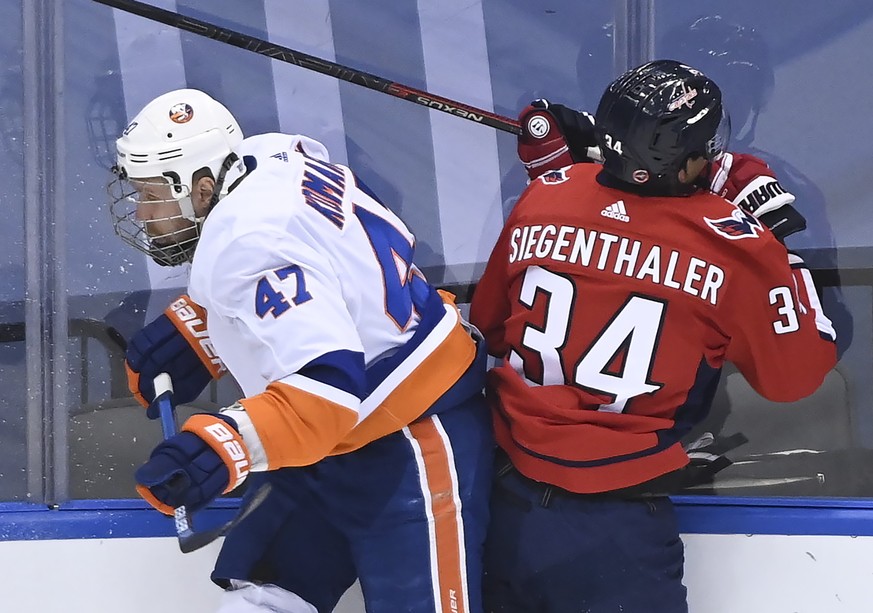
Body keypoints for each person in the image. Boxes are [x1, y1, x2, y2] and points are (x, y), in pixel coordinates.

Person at [470, 60, 837, 612]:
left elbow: (490, 325)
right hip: (615, 522)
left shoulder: (545, 194)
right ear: (684, 164)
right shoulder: (735, 247)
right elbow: (795, 377)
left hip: (504, 498)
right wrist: (778, 248)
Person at [108, 88, 493, 613]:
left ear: (201, 190)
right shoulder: (270, 157)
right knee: (260, 598)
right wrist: (208, 324)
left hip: (412, 437)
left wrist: (219, 447)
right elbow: (326, 269)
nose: (142, 210)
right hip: (326, 441)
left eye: (152, 193)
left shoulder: (247, 240)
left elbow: (327, 390)